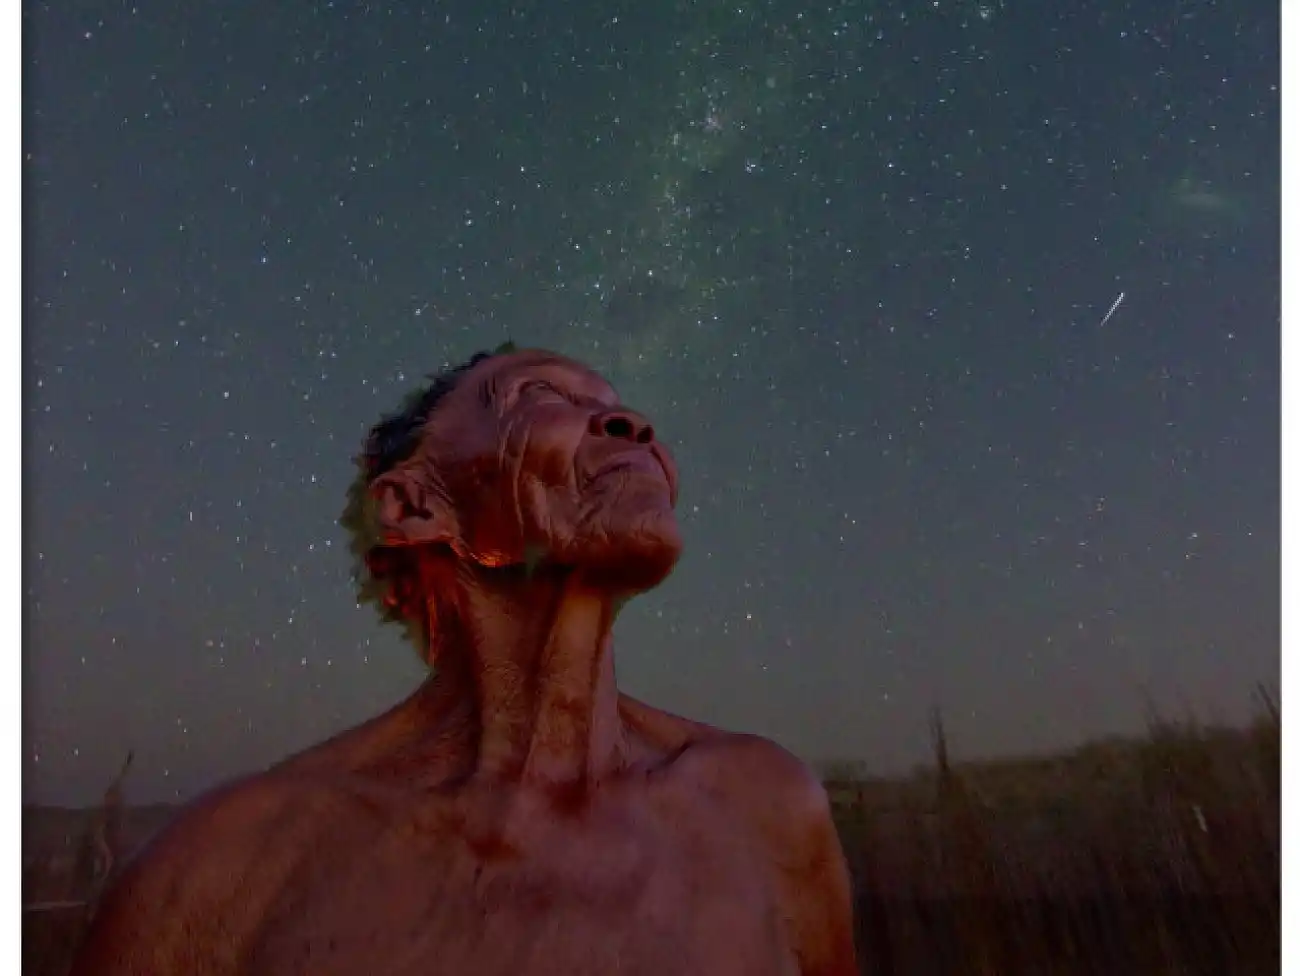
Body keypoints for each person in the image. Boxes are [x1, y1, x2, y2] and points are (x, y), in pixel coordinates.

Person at [72, 346, 858, 975]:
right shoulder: (232, 864)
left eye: (612, 404)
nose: (629, 423)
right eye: (540, 397)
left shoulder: (764, 805)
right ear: (412, 506)